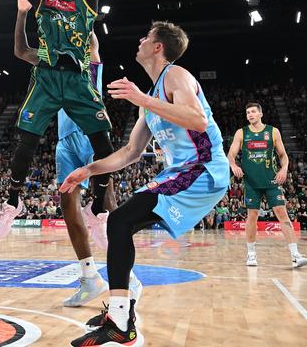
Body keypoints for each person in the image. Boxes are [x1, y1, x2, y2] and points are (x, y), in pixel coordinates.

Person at [61, 21, 230, 346]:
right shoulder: (150, 98)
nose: (140, 40)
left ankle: (121, 319)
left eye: (146, 37)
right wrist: (88, 170)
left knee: (121, 221)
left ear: (158, 47)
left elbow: (197, 120)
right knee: (120, 224)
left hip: (204, 169)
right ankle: (121, 314)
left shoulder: (176, 75)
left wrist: (142, 99)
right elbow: (130, 153)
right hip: (181, 173)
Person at [0, 0, 114, 239]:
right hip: (47, 79)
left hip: (78, 80)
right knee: (26, 141)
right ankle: (13, 202)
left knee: (104, 143)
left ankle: (97, 208)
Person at [13, 0, 139, 307]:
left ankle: (128, 279)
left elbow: (88, 25)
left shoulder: (88, 54)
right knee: (69, 211)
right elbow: (21, 50)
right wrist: (25, 12)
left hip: (90, 135)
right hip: (65, 142)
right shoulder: (48, 57)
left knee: (108, 209)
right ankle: (89, 278)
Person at [227, 103, 307, 267]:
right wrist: (234, 165)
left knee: (282, 214)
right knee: (252, 216)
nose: (250, 114)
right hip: (251, 182)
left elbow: (283, 155)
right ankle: (251, 255)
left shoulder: (272, 131)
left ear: (261, 114)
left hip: (272, 181)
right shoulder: (242, 133)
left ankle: (295, 255)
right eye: (247, 112)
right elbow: (231, 154)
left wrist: (284, 169)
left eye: (253, 112)